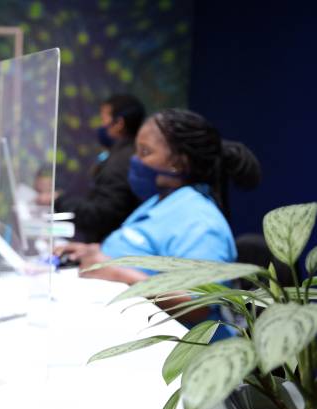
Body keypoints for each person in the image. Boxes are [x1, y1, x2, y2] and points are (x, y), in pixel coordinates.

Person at [56, 108, 260, 329]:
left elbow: (198, 306)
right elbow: (143, 249)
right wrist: (94, 251)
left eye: (145, 152)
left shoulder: (202, 222)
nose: (135, 160)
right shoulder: (161, 200)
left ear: (178, 163)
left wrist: (121, 274)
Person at [54, 94, 145, 242]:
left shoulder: (119, 163)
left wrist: (59, 201)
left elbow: (102, 215)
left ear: (119, 123)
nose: (101, 125)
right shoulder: (126, 155)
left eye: (103, 119)